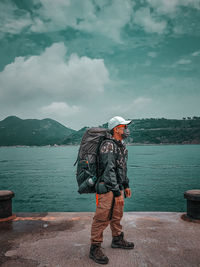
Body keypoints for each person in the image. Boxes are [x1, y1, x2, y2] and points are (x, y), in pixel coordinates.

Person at [89, 116, 134, 265]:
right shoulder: (108, 145)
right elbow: (109, 171)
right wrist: (116, 192)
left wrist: (126, 185)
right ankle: (95, 247)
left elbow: (122, 167)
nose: (126, 129)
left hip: (118, 187)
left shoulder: (121, 145)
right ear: (116, 129)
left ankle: (117, 239)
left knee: (117, 216)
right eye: (124, 126)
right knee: (101, 218)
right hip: (107, 188)